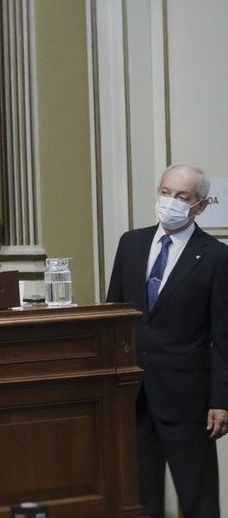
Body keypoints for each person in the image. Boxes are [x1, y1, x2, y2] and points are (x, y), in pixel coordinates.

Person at [106, 164, 228, 518]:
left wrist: (221, 400)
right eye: (165, 192)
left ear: (200, 206)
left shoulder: (216, 257)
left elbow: (223, 337)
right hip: (134, 393)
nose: (170, 202)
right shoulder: (131, 243)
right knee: (141, 496)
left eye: (182, 197)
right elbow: (117, 314)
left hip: (188, 399)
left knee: (197, 496)